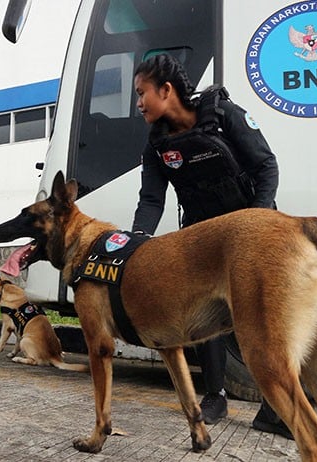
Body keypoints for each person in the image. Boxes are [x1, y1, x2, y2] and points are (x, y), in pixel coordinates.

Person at [130, 53, 292, 439]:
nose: (138, 103)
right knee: (207, 317)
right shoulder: (155, 145)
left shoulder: (224, 115)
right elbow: (151, 200)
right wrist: (135, 245)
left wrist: (256, 222)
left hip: (250, 231)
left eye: (141, 93)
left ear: (166, 90)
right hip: (202, 240)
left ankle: (275, 408)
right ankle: (215, 396)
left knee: (261, 318)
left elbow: (266, 167)